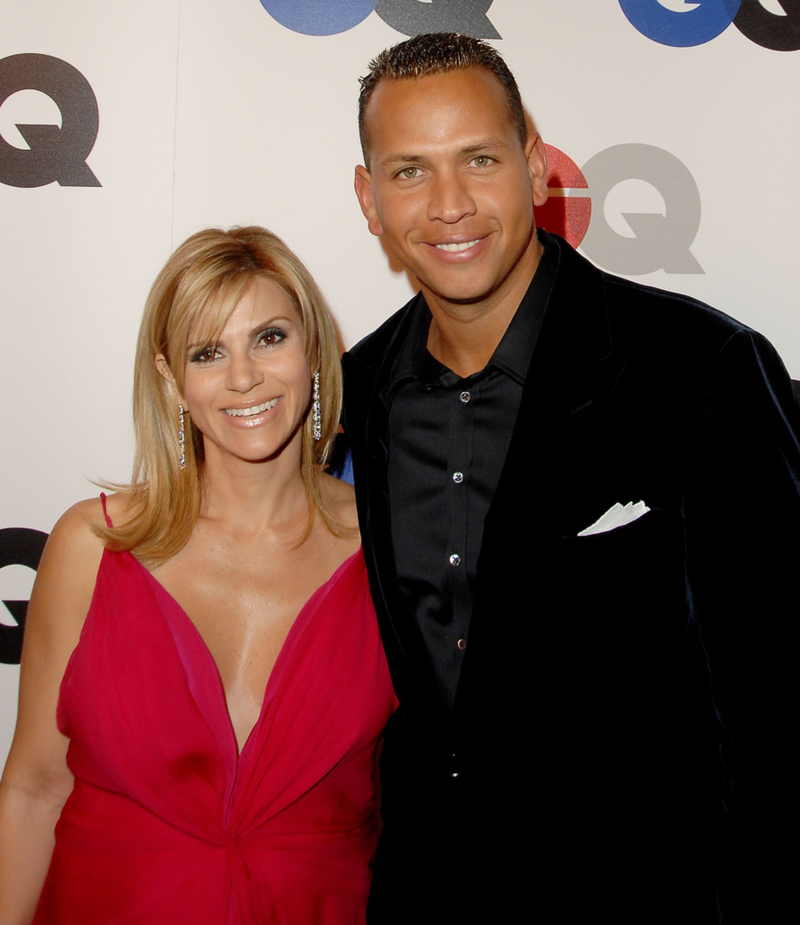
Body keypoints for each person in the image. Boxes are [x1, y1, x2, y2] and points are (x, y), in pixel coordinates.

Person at [344, 32, 800, 924]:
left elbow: (782, 702)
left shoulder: (701, 370)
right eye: (408, 171)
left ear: (537, 165)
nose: (448, 204)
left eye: (478, 158)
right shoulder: (352, 395)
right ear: (368, 199)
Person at [0, 226, 396, 924]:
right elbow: (34, 786)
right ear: (171, 380)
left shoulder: (393, 548)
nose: (243, 377)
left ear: (315, 349)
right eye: (208, 352)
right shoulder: (93, 547)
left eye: (269, 337)